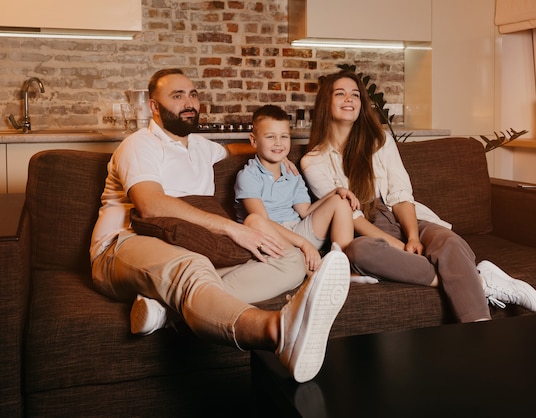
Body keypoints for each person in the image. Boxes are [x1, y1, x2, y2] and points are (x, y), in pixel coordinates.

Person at [89, 68, 350, 383]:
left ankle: (169, 308)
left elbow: (235, 150)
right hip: (122, 246)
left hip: (189, 245)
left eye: (193, 94)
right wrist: (230, 228)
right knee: (192, 265)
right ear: (154, 107)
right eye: (177, 95)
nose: (189, 102)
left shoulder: (200, 147)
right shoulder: (139, 145)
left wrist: (278, 157)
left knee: (290, 259)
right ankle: (278, 331)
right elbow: (151, 204)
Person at [300, 69, 536, 323]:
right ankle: (480, 281)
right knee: (359, 252)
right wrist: (400, 247)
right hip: (368, 231)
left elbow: (400, 193)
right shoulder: (313, 162)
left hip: (402, 216)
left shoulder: (379, 140)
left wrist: (413, 236)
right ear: (326, 102)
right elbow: (353, 217)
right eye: (340, 94)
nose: (349, 99)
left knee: (449, 242)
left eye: (355, 95)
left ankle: (479, 328)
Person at [234, 104, 358, 272]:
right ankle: (312, 270)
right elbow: (262, 222)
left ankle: (342, 267)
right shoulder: (248, 176)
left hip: (298, 232)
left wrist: (334, 193)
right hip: (271, 239)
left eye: (284, 137)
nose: (278, 143)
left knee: (341, 201)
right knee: (258, 223)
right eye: (270, 137)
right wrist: (303, 244)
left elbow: (306, 211)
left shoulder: (291, 173)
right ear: (254, 140)